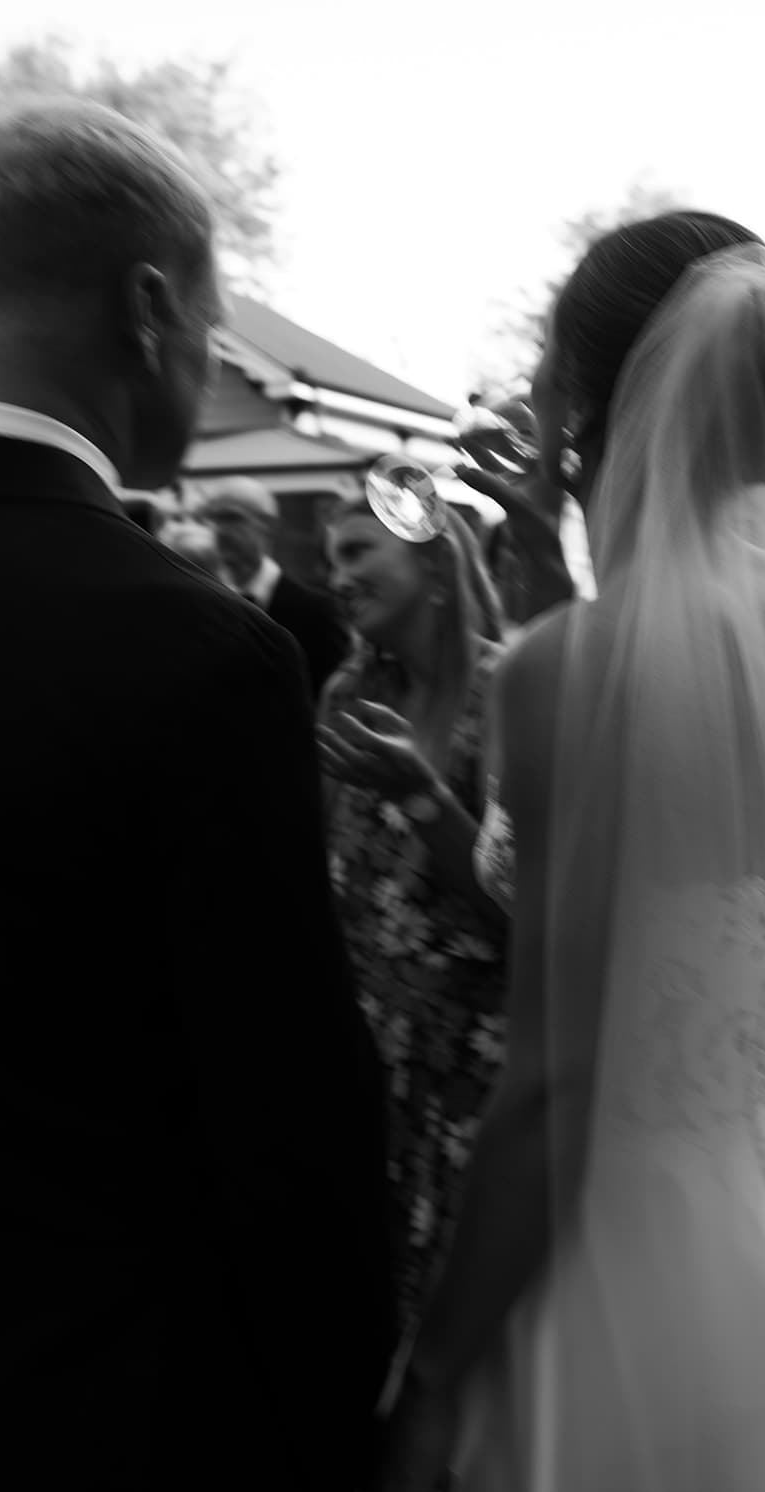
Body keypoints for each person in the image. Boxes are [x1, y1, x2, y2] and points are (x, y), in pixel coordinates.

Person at [349, 218, 765, 1492]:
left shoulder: (572, 675)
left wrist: (434, 1376)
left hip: (613, 1244)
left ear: (587, 388)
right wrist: (540, 580)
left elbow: (559, 1082)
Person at [0, 97, 393, 1492]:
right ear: (154, 306)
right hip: (91, 1459)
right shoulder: (195, 651)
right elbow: (285, 1112)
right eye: (217, 321)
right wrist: (332, 1454)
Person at [318, 497, 509, 1339]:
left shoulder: (507, 691)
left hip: (470, 1063)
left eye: (358, 551)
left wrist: (423, 799)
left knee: (452, 1310)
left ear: (434, 565)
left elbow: (526, 909)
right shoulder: (349, 691)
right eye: (331, 558)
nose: (337, 576)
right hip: (360, 1054)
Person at [199, 475, 350, 700]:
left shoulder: (315, 611)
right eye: (209, 519)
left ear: (268, 526)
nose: (217, 530)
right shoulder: (206, 604)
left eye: (230, 518)